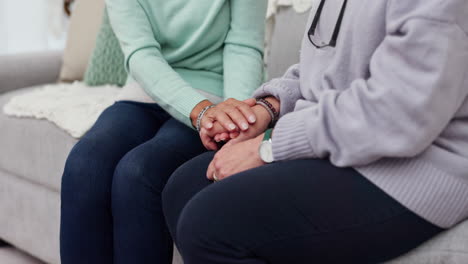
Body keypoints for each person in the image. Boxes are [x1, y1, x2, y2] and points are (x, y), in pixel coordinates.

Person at [162, 0, 468, 263]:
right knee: (183, 187)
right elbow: (327, 69)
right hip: (352, 142)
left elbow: (398, 112)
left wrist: (269, 147)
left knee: (210, 222)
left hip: (421, 168)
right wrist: (268, 108)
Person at [59, 1, 267, 263]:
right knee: (84, 165)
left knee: (139, 172)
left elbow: (243, 46)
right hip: (145, 91)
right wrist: (198, 111)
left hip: (216, 95)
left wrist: (235, 116)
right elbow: (140, 53)